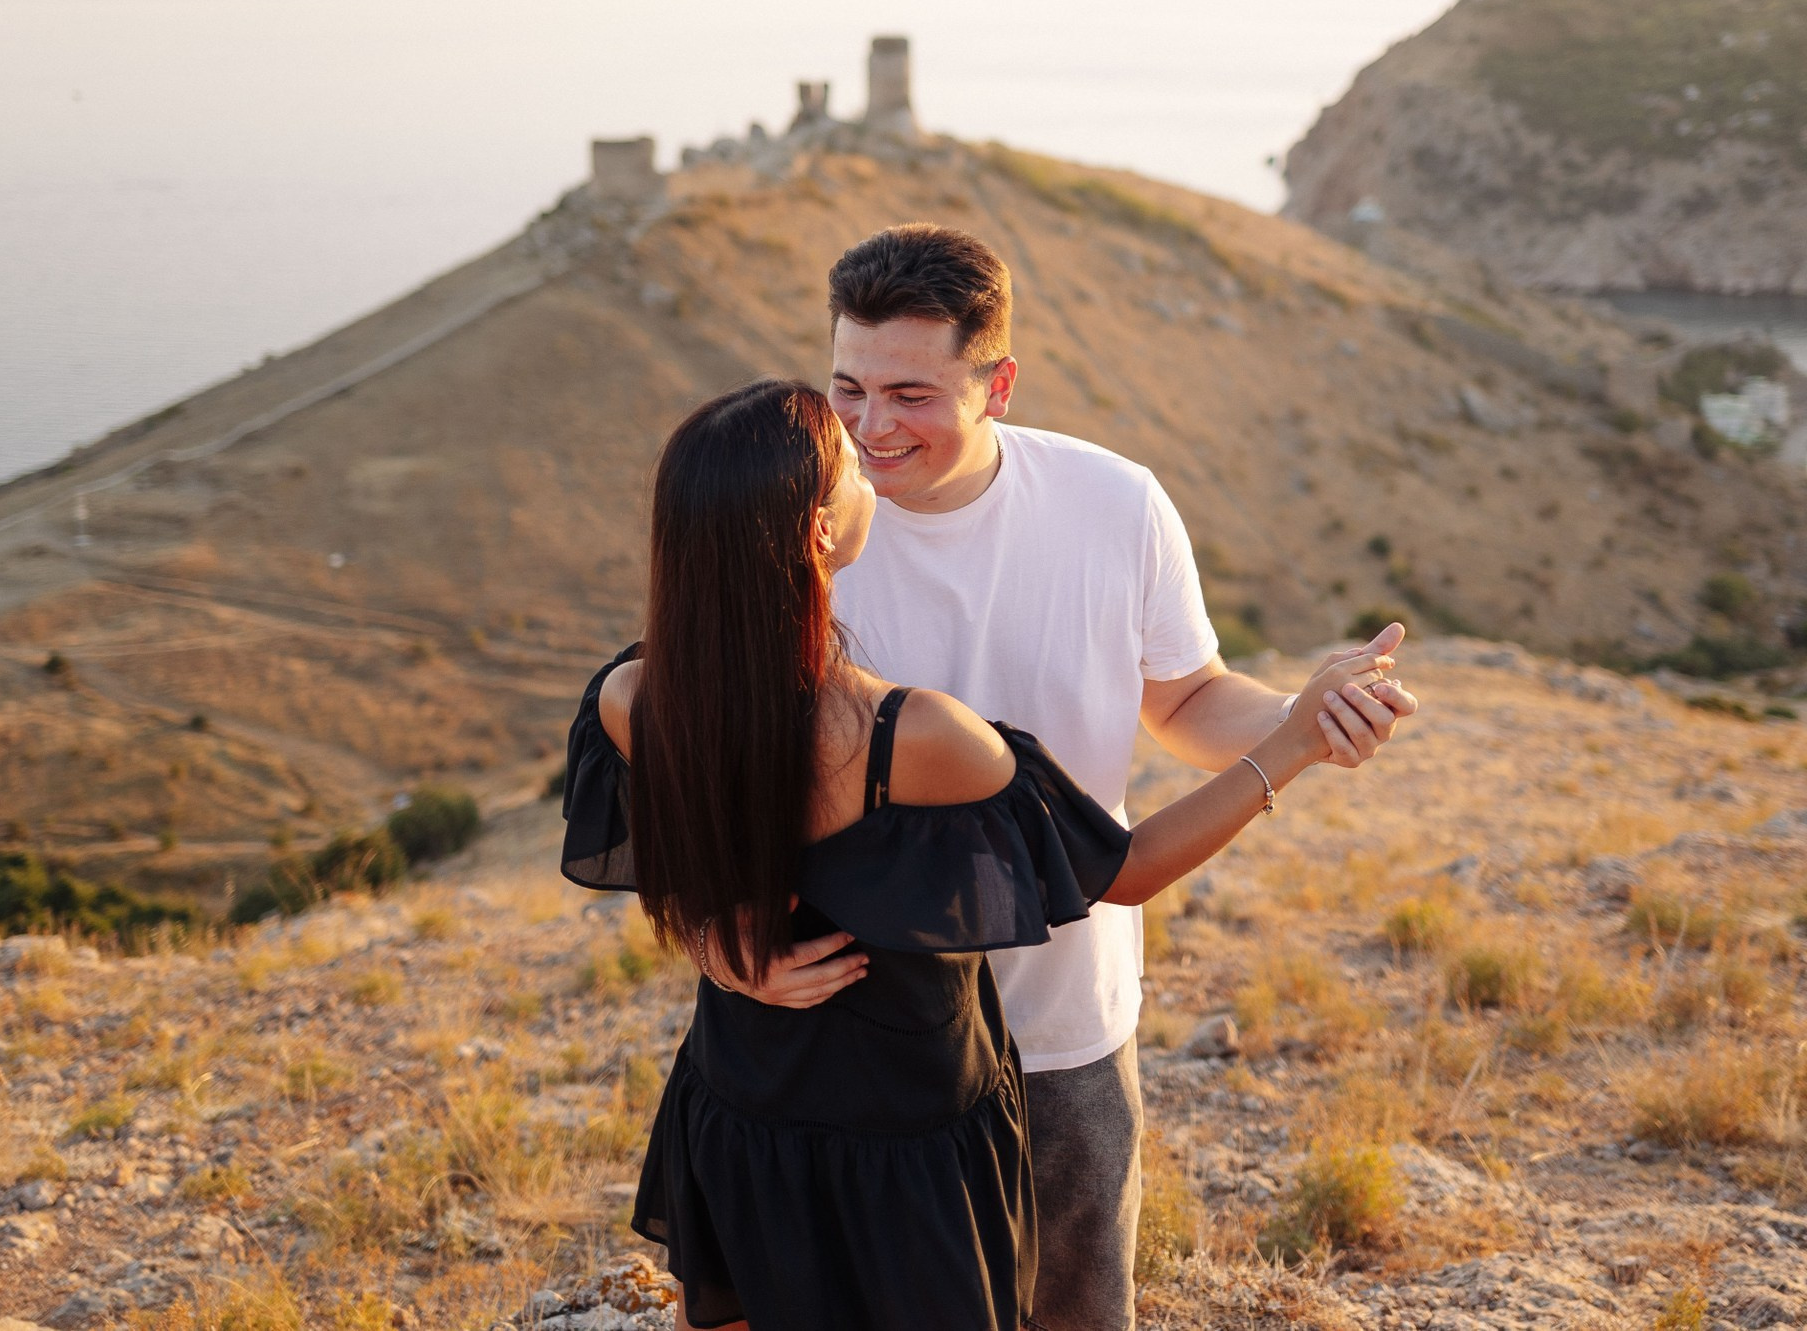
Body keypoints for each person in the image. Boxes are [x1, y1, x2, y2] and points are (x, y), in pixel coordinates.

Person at [561, 378, 1401, 1331]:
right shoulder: (914, 737)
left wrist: (719, 946)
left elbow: (672, 861)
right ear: (818, 535)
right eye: (845, 460)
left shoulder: (634, 699)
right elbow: (1121, 869)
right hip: (913, 1133)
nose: (867, 457)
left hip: (741, 1102)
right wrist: (1290, 743)